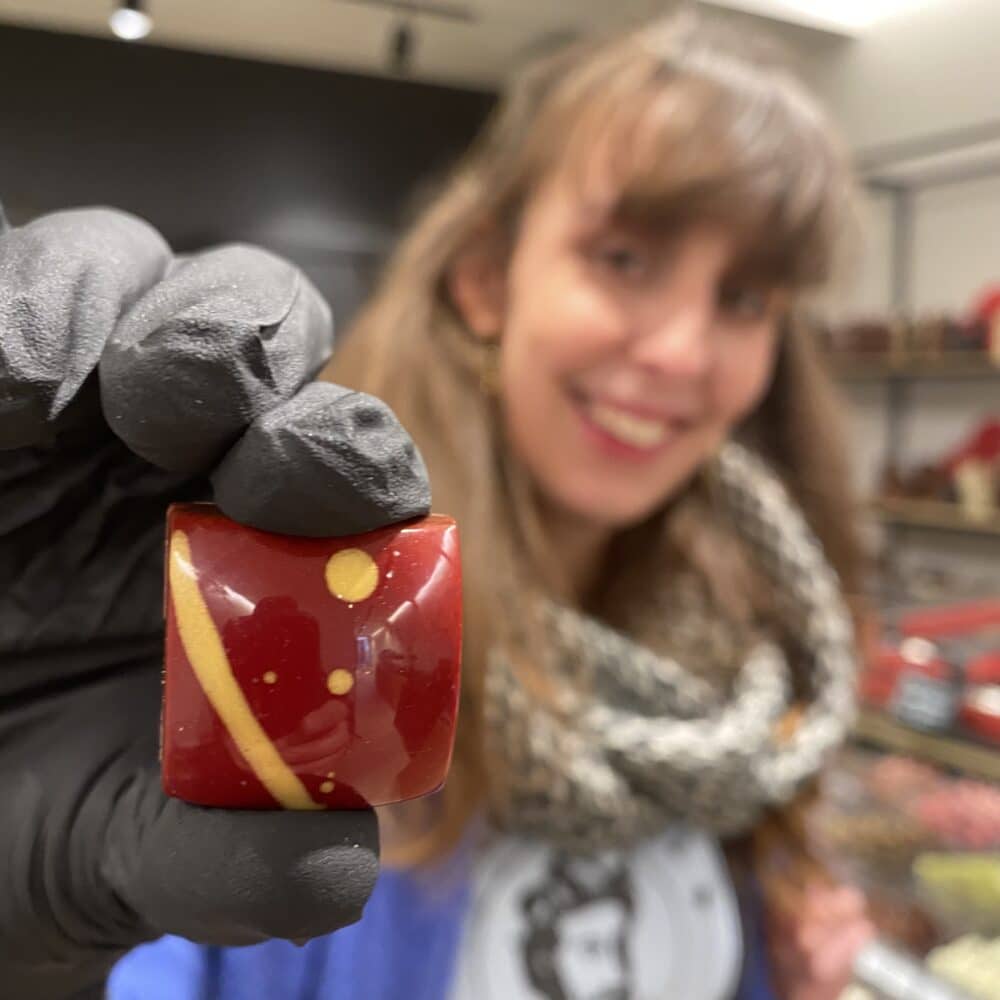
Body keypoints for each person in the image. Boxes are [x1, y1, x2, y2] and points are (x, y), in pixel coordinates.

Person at [3, 10, 875, 1000]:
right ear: (487, 278)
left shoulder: (748, 667)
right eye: (625, 259)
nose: (682, 351)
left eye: (744, 299)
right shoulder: (309, 627)